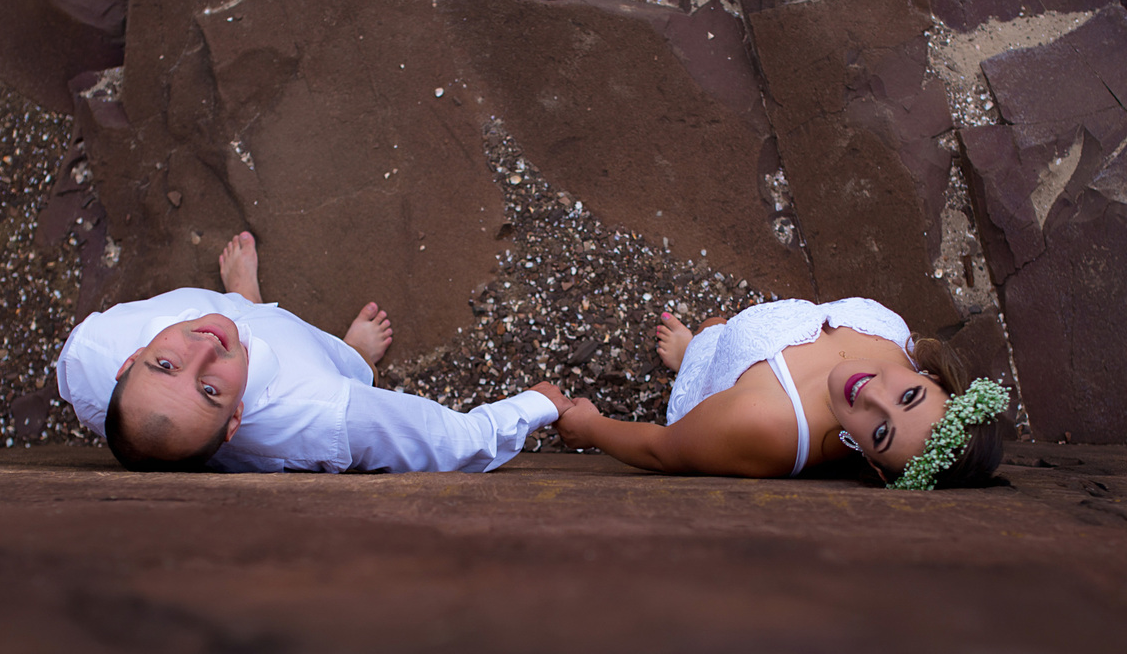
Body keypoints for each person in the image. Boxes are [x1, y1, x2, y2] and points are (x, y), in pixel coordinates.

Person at [57, 231, 572, 473]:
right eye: (209, 390)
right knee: (339, 363)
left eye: (165, 364)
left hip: (222, 337)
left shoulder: (90, 352)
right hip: (311, 366)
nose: (204, 351)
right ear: (234, 421)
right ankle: (354, 355)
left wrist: (233, 319)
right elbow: (445, 440)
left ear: (128, 363)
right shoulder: (323, 407)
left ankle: (244, 301)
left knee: (235, 320)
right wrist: (532, 407)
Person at [554, 297, 1008, 490]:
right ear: (933, 379)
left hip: (715, 408)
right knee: (716, 326)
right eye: (909, 397)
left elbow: (661, 450)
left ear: (873, 462)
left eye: (881, 432)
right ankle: (705, 343)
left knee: (710, 333)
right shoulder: (900, 343)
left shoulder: (766, 424)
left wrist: (590, 427)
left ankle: (692, 361)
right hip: (747, 347)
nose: (871, 395)